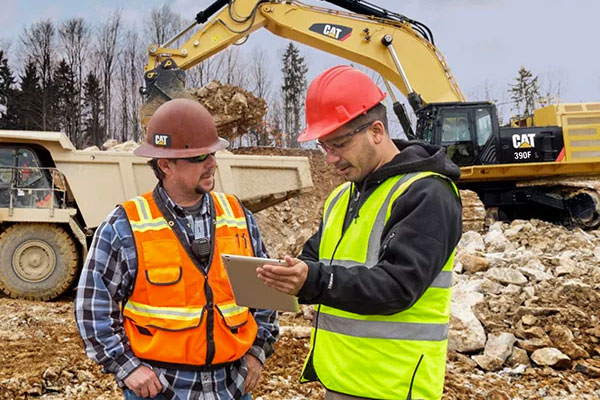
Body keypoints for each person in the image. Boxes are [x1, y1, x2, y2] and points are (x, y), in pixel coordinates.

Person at [257, 66, 462, 400]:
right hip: (340, 380)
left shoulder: (427, 194)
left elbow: (398, 287)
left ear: (377, 131)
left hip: (393, 387)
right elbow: (313, 261)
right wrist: (282, 276)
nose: (330, 159)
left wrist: (313, 281)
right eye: (324, 146)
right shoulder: (342, 196)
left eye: (339, 144)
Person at [75, 98, 278, 400]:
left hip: (231, 387)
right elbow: (92, 308)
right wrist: (127, 368)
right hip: (163, 389)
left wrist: (258, 352)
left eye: (211, 153)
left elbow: (265, 293)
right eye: (199, 157)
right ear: (165, 165)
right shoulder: (126, 225)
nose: (212, 163)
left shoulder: (237, 216)